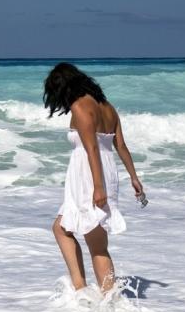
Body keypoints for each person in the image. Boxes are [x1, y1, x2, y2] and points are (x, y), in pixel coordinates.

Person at [43, 62, 143, 295]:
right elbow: (121, 146)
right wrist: (134, 177)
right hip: (106, 172)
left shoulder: (80, 106)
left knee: (84, 238)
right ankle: (97, 295)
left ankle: (94, 296)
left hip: (91, 176)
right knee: (77, 234)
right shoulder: (108, 107)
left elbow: (92, 150)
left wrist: (98, 187)